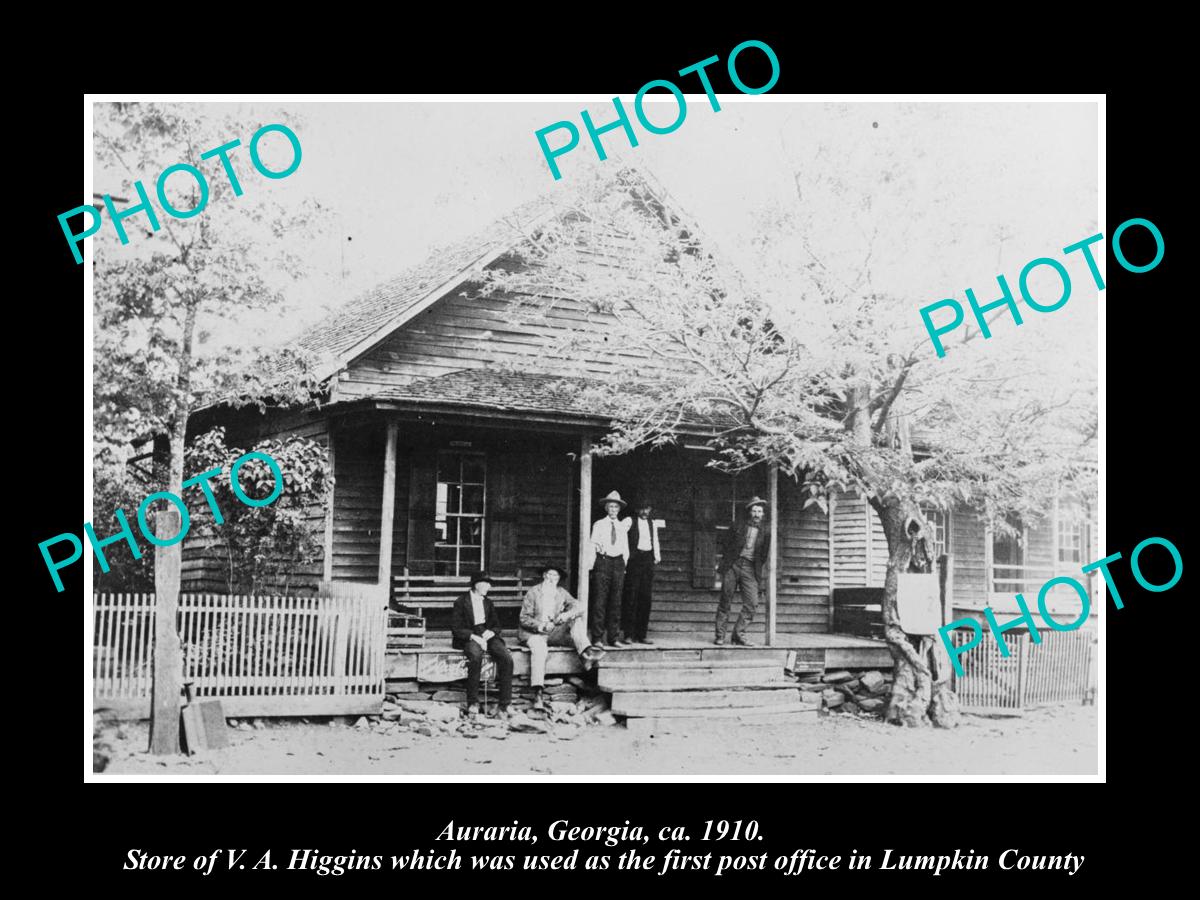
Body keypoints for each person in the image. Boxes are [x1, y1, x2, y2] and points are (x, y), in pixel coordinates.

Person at [518, 563, 599, 712]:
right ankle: (538, 692)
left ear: (558, 578)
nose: (551, 578)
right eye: (549, 575)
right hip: (535, 633)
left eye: (555, 576)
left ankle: (586, 653)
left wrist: (566, 615)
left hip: (554, 632)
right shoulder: (533, 592)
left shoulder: (561, 592)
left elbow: (580, 606)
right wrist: (541, 626)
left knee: (575, 619)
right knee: (540, 650)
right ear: (544, 576)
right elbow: (524, 618)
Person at [450, 571, 513, 719]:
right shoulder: (461, 601)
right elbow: (456, 628)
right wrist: (475, 638)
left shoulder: (488, 602)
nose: (489, 587)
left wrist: (490, 633)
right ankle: (473, 702)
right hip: (469, 636)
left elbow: (497, 626)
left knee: (506, 658)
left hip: (486, 633)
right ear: (476, 585)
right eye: (486, 583)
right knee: (476, 657)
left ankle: (505, 704)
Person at [715, 497, 771, 647]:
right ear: (749, 512)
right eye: (754, 511)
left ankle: (738, 635)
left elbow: (764, 554)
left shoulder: (766, 531)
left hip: (750, 568)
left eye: (759, 511)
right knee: (725, 601)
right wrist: (728, 561)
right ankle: (720, 636)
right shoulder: (738, 525)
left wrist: (754, 565)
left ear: (763, 514)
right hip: (733, 565)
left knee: (752, 603)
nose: (757, 514)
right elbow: (725, 543)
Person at [586, 490, 632, 647]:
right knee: (600, 600)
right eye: (611, 507)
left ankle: (613, 637)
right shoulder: (599, 525)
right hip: (603, 562)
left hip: (618, 563)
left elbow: (625, 549)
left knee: (616, 601)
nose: (613, 510)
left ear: (619, 509)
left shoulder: (621, 527)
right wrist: (591, 566)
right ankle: (597, 638)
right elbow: (592, 545)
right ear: (606, 508)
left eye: (616, 507)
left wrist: (623, 565)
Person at [621, 500, 661, 645]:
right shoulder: (628, 521)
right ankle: (628, 635)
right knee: (631, 598)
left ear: (650, 509)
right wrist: (625, 556)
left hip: (647, 560)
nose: (645, 512)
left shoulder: (652, 523)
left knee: (645, 598)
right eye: (642, 509)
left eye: (647, 508)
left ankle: (641, 634)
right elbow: (619, 535)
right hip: (634, 560)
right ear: (637, 510)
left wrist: (656, 557)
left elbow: (655, 540)